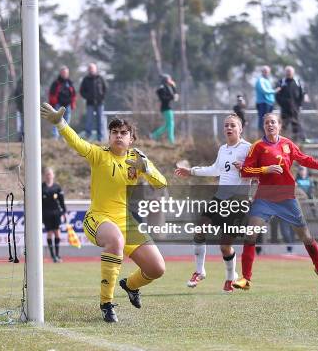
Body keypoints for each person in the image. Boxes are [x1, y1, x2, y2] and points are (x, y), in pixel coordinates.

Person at [41, 102, 167, 323]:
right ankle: (106, 303)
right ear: (109, 136)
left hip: (125, 221)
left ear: (131, 139)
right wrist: (60, 123)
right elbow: (78, 143)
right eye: (114, 132)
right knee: (115, 240)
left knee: (157, 269)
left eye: (123, 133)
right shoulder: (99, 155)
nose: (118, 135)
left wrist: (146, 167)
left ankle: (130, 285)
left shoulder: (136, 159)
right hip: (98, 218)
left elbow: (161, 184)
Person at [233, 113, 318, 291]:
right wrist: (265, 169)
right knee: (250, 235)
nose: (270, 125)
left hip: (287, 198)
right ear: (263, 126)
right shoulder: (257, 146)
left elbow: (306, 160)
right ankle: (246, 279)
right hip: (264, 198)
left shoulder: (287, 144)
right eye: (266, 123)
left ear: (279, 125)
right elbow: (245, 171)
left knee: (306, 237)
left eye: (273, 122)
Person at [174, 115, 251, 293]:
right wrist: (191, 171)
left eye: (233, 125)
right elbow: (215, 169)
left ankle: (230, 278)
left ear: (241, 129)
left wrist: (247, 172)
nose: (229, 128)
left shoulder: (249, 149)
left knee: (225, 246)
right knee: (200, 229)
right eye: (226, 126)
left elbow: (257, 173)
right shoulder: (223, 149)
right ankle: (200, 271)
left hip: (238, 203)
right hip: (220, 198)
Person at [42, 167, 67, 262]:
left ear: (53, 175)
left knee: (57, 233)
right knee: (49, 233)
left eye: (50, 174)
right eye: (47, 174)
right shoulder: (41, 187)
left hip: (56, 213)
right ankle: (53, 256)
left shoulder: (57, 187)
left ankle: (57, 255)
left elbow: (62, 201)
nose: (48, 176)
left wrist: (64, 213)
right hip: (46, 213)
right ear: (44, 176)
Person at [276, 66, 305, 142]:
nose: (289, 73)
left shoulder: (297, 81)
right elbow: (277, 94)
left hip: (295, 108)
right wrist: (282, 103)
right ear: (285, 72)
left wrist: (299, 105)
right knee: (283, 125)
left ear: (293, 72)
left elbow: (302, 94)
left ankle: (298, 141)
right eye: (287, 71)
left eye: (290, 71)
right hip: (285, 108)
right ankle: (280, 141)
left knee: (296, 124)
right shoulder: (281, 82)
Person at [79, 63, 107, 142]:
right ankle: (88, 137)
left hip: (100, 103)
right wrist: (87, 97)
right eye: (90, 68)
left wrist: (102, 97)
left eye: (93, 68)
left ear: (95, 69)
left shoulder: (100, 78)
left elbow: (105, 89)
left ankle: (100, 138)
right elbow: (81, 91)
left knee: (100, 121)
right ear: (88, 70)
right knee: (89, 121)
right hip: (90, 103)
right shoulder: (85, 79)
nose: (91, 70)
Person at [48, 66, 77, 140]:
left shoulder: (70, 82)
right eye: (63, 72)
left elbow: (73, 94)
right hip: (58, 105)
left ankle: (65, 136)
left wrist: (73, 104)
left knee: (66, 122)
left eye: (66, 73)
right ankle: (55, 136)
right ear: (60, 73)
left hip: (67, 105)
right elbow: (51, 94)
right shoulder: (56, 83)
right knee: (56, 121)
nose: (65, 74)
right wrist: (53, 103)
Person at [150, 74, 178, 143]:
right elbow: (164, 98)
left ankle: (153, 135)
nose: (171, 80)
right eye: (169, 79)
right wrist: (172, 97)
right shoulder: (162, 88)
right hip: (166, 108)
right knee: (171, 124)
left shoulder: (168, 87)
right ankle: (171, 141)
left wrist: (174, 87)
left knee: (167, 125)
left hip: (168, 108)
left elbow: (175, 96)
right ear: (166, 80)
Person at [254, 66, 278, 135]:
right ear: (262, 72)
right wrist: (274, 91)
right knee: (263, 120)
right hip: (263, 103)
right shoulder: (260, 80)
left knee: (269, 120)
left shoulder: (267, 80)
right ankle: (261, 136)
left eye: (267, 72)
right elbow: (264, 90)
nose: (266, 73)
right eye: (265, 71)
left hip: (269, 103)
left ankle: (268, 135)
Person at [14, 77, 23, 141]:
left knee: (22, 123)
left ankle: (22, 136)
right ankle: (21, 136)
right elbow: (16, 95)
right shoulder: (19, 85)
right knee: (20, 123)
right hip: (20, 108)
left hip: (27, 109)